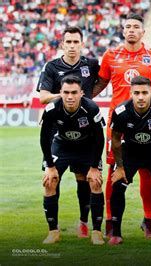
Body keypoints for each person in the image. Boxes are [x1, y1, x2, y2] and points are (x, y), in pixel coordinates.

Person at [92, 13, 151, 238]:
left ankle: (149, 220)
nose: (132, 30)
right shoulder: (110, 56)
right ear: (123, 31)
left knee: (148, 172)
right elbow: (100, 84)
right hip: (118, 122)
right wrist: (81, 100)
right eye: (128, 27)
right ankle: (109, 222)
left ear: (143, 32)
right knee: (113, 172)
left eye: (136, 26)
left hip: (147, 122)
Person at [36, 26, 100, 238]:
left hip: (85, 132)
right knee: (51, 179)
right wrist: (66, 99)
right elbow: (43, 96)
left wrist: (85, 100)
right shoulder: (52, 66)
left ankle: (84, 223)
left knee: (85, 178)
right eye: (68, 42)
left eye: (76, 42)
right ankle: (53, 231)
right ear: (62, 44)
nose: (72, 46)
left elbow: (104, 81)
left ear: (82, 44)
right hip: (59, 132)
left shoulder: (91, 64)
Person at [40, 75, 105, 245]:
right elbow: (44, 138)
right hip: (62, 146)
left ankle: (96, 232)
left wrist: (94, 167)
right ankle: (53, 231)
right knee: (49, 181)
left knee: (95, 182)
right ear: (60, 93)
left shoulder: (91, 108)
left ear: (81, 93)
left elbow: (99, 139)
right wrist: (50, 166)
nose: (70, 96)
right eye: (66, 92)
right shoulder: (52, 108)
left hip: (86, 148)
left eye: (74, 92)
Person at [108, 76, 151, 246]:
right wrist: (120, 168)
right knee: (117, 184)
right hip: (130, 152)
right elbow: (115, 140)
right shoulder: (121, 111)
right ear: (131, 93)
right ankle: (116, 233)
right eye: (136, 93)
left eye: (145, 92)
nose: (141, 97)